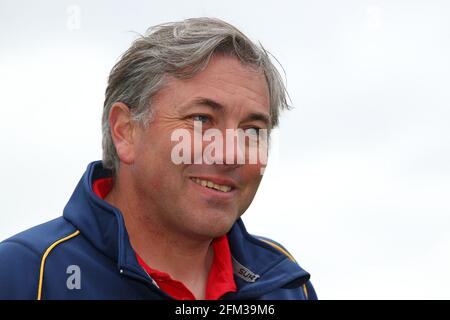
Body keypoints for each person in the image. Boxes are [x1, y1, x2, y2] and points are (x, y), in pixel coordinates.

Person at [0, 17, 317, 300]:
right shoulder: (25, 276)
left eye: (252, 130)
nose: (231, 153)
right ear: (126, 131)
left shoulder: (285, 285)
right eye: (201, 120)